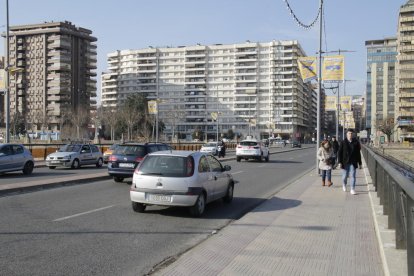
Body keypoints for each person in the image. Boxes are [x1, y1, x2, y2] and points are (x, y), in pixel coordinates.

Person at [337, 129, 362, 195]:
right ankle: (344, 184)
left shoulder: (356, 142)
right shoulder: (343, 142)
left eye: (351, 133)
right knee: (344, 176)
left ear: (353, 134)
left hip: (353, 162)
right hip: (345, 162)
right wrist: (339, 162)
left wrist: (360, 163)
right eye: (349, 133)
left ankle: (352, 189)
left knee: (353, 176)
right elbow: (339, 153)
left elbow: (358, 153)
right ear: (346, 134)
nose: (350, 134)